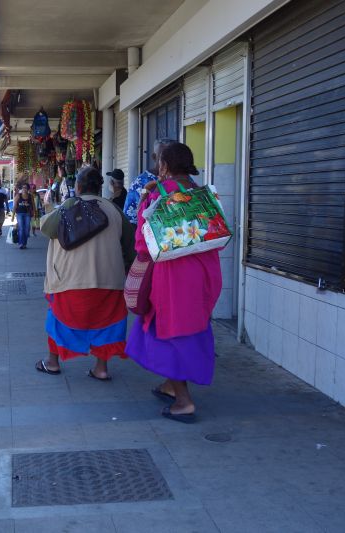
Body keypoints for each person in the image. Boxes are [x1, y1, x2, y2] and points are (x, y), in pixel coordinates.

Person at [125, 142, 222, 423]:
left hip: (172, 277)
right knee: (190, 329)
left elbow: (143, 244)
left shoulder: (158, 195)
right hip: (205, 274)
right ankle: (171, 385)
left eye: (158, 161)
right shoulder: (203, 193)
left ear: (165, 166)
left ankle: (184, 401)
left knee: (169, 333)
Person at [36, 166, 136, 379]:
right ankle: (101, 368)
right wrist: (124, 269)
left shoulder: (68, 206)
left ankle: (52, 362)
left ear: (78, 187)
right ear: (100, 187)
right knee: (107, 325)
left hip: (69, 281)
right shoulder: (114, 210)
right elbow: (130, 245)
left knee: (58, 320)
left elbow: (45, 228)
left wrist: (50, 207)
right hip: (110, 281)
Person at [122, 139, 176, 223]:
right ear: (154, 157)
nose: (168, 161)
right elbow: (129, 220)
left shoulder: (181, 180)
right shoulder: (139, 184)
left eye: (172, 157)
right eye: (163, 157)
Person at [13, 183, 36, 249]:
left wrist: (35, 214)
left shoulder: (30, 196)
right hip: (19, 214)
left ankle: (24, 243)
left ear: (28, 189)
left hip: (27, 214)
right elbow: (15, 206)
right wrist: (12, 216)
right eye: (23, 187)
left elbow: (33, 205)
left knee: (27, 229)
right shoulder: (18, 195)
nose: (24, 189)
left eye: (25, 187)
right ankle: (21, 243)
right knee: (21, 228)